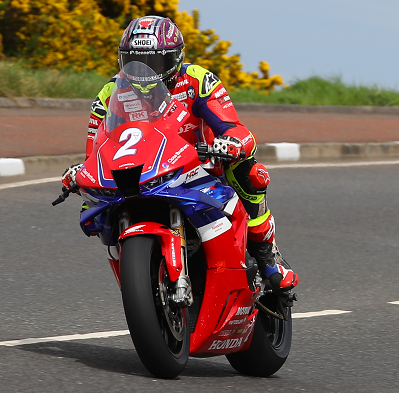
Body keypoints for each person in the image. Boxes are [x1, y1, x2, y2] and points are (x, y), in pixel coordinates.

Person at [62, 15, 298, 295]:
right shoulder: (110, 93)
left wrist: (231, 144)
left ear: (175, 58)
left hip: (201, 166)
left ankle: (267, 258)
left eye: (154, 63)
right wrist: (80, 173)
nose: (144, 73)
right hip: (144, 172)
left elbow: (235, 129)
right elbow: (96, 151)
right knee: (93, 206)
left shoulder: (198, 80)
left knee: (249, 174)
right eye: (135, 62)